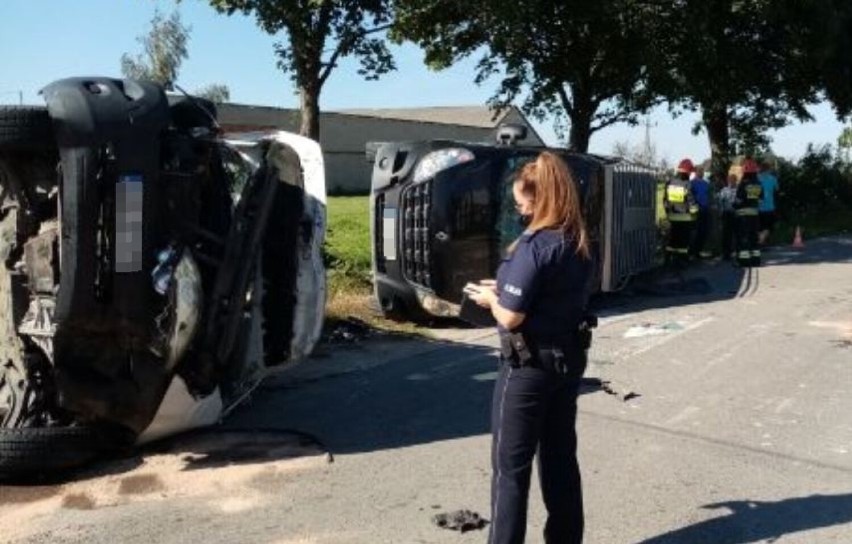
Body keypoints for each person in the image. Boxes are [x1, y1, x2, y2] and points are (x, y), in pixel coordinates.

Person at [464, 151, 593, 544]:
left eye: (522, 203)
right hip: (567, 360)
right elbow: (549, 293)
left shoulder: (535, 245)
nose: (520, 211)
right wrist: (504, 288)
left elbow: (512, 318)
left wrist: (492, 300)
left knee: (509, 470)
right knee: (559, 460)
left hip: (528, 367)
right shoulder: (578, 240)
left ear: (540, 200)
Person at [663, 158, 699, 265]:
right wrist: (695, 213)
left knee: (673, 239)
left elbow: (665, 200)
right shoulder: (687, 184)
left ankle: (669, 258)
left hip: (673, 216)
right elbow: (691, 202)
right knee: (684, 241)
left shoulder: (670, 182)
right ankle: (682, 260)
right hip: (685, 217)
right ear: (687, 172)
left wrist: (668, 211)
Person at [734, 158, 764, 267]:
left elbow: (738, 200)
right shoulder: (758, 184)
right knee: (753, 238)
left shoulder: (743, 184)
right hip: (755, 214)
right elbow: (760, 199)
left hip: (743, 215)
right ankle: (756, 260)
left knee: (743, 238)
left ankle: (744, 261)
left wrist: (735, 206)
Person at [689, 166, 712, 258]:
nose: (701, 173)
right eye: (699, 171)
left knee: (703, 231)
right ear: (696, 172)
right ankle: (692, 252)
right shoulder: (692, 183)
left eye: (702, 171)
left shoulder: (706, 184)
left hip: (705, 210)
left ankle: (698, 251)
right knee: (695, 232)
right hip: (696, 211)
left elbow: (709, 196)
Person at [757, 160, 780, 245]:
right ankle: (761, 241)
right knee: (769, 227)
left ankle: (762, 241)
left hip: (758, 206)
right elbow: (777, 190)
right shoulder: (773, 179)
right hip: (769, 206)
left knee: (760, 227)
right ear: (768, 169)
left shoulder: (756, 178)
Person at [717, 174, 738, 260]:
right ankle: (726, 254)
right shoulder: (724, 190)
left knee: (735, 234)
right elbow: (720, 202)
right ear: (728, 181)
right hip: (727, 214)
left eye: (733, 180)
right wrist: (721, 212)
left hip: (735, 214)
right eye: (730, 180)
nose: (731, 182)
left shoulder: (738, 190)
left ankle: (735, 252)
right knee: (726, 235)